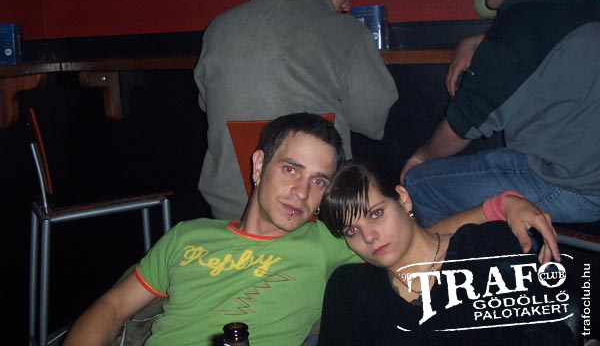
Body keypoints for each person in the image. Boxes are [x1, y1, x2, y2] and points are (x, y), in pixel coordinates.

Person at [63, 114, 560, 346]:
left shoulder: (329, 240)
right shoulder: (188, 236)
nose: (302, 192)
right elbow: (111, 308)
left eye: (319, 180)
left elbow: (409, 235)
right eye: (290, 169)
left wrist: (500, 205)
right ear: (259, 165)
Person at [400, 0, 600, 227]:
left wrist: (421, 157)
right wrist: (476, 40)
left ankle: (459, 257)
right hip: (576, 172)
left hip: (574, 188)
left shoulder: (520, 26)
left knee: (420, 183)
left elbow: (463, 124)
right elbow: (542, 33)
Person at [194, 0, 398, 220]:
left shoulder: (219, 27)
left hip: (231, 212)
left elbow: (207, 104)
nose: (347, 4)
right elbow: (373, 119)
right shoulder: (347, 31)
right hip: (313, 213)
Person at [318, 159, 575, 345]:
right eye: (351, 231)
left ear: (403, 199)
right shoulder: (350, 289)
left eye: (376, 214)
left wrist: (504, 204)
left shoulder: (485, 248)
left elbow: (547, 335)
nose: (368, 237)